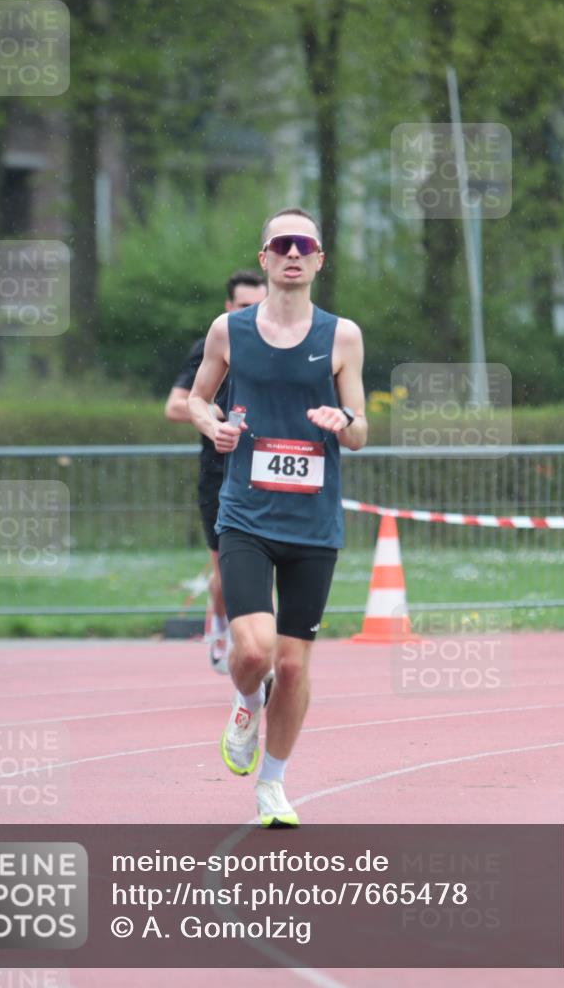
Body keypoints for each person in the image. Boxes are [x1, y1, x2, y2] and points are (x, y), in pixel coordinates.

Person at [188, 208, 367, 827]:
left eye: (304, 245)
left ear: (319, 260)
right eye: (282, 244)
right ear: (264, 258)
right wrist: (212, 425)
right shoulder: (229, 330)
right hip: (246, 515)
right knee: (256, 651)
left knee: (292, 666)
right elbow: (198, 399)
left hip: (313, 524)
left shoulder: (342, 336)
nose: (293, 253)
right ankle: (245, 701)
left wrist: (344, 421)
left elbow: (361, 429)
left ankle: (272, 784)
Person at [165, 271, 266, 673]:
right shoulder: (215, 343)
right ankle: (221, 626)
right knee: (227, 569)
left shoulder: (285, 344)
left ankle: (258, 644)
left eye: (258, 305)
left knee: (269, 564)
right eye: (243, 306)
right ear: (228, 307)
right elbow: (176, 406)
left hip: (266, 469)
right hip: (220, 473)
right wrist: (214, 414)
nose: (251, 313)